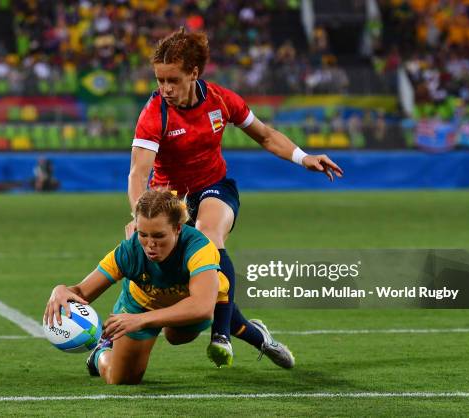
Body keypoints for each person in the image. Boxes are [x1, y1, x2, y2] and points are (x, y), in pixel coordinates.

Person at [127, 28, 343, 368]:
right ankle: (253, 334)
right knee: (177, 331)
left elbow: (266, 135)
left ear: (193, 74)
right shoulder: (154, 114)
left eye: (173, 80)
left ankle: (221, 336)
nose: (165, 89)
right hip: (168, 204)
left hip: (215, 187)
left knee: (211, 235)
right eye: (159, 80)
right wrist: (141, 221)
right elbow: (138, 173)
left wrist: (304, 158)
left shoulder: (221, 100)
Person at [44, 190, 260, 384]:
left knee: (177, 337)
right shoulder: (128, 251)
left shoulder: (199, 248)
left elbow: (202, 307)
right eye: (143, 235)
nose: (149, 244)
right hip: (140, 304)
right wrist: (60, 290)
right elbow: (82, 292)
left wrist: (141, 321)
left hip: (185, 305)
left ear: (178, 229)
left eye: (158, 236)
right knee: (121, 379)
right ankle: (101, 352)